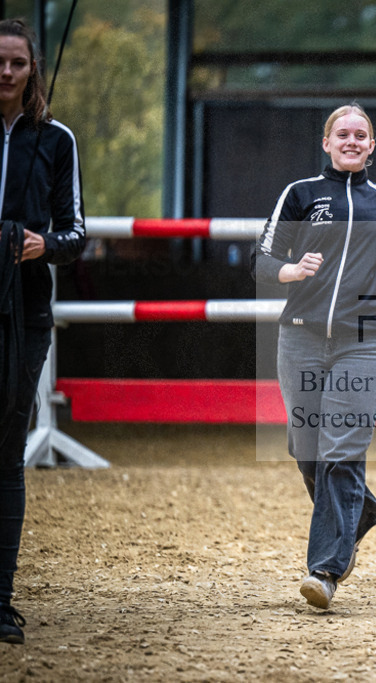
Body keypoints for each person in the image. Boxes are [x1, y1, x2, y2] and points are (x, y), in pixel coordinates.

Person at [250, 103, 376, 610]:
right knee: (307, 450)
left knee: (341, 450)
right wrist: (291, 271)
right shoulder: (300, 195)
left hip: (363, 342)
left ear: (372, 146)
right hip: (299, 337)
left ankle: (324, 571)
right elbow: (261, 262)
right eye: (341, 134)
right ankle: (359, 512)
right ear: (326, 143)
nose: (350, 141)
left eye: (360, 135)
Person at [0, 19, 87, 645]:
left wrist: (44, 244)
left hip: (25, 312)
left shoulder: (55, 140)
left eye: (18, 65)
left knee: (7, 454)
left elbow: (76, 232)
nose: (6, 74)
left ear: (33, 70)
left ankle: (0, 599)